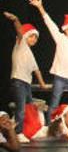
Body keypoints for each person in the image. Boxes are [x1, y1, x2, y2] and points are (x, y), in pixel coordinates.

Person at [28, 0, 68, 118]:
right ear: (65, 29)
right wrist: (40, 7)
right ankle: (49, 125)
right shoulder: (60, 38)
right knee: (54, 103)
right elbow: (49, 23)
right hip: (60, 77)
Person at [4, 11, 48, 141]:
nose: (33, 39)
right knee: (21, 109)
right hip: (18, 81)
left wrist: (42, 84)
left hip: (26, 84)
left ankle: (34, 129)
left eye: (35, 37)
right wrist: (16, 19)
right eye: (31, 36)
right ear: (24, 37)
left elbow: (37, 70)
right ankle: (18, 133)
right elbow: (19, 30)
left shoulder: (30, 53)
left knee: (30, 108)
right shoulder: (20, 45)